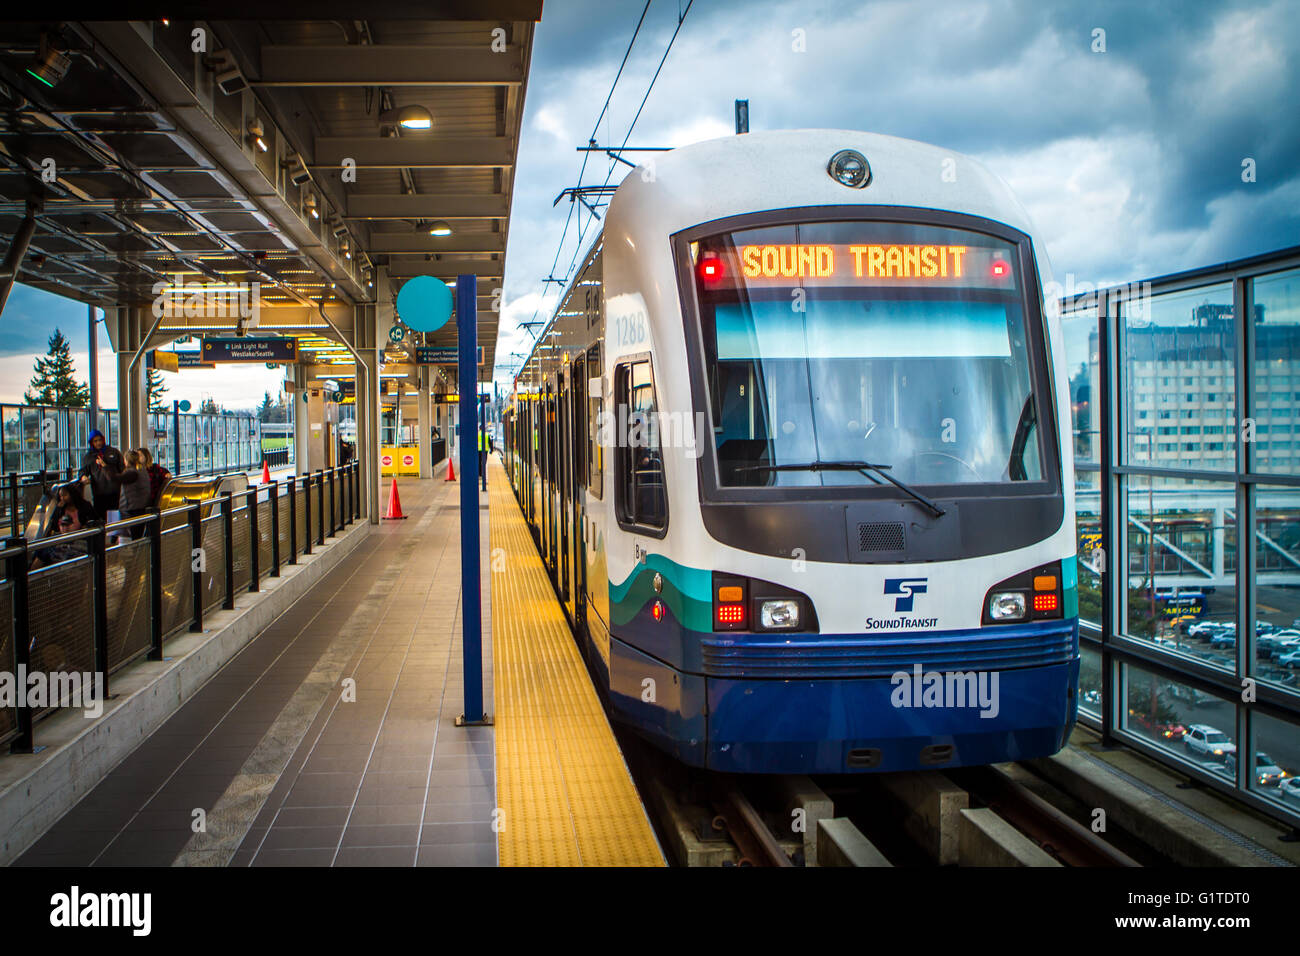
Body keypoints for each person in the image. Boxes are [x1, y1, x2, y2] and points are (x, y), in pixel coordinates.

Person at [79, 430, 124, 523]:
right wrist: (83, 477)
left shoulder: (113, 452)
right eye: (95, 441)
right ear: (92, 443)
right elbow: (83, 471)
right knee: (100, 519)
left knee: (114, 519)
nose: (98, 443)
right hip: (99, 493)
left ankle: (113, 537)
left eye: (100, 440)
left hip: (114, 491)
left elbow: (122, 468)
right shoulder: (89, 457)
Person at [117, 450, 152, 540]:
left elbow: (114, 478)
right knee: (137, 534)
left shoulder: (132, 473)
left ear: (126, 460)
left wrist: (105, 467)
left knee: (131, 536)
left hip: (131, 508)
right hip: (141, 506)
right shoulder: (143, 470)